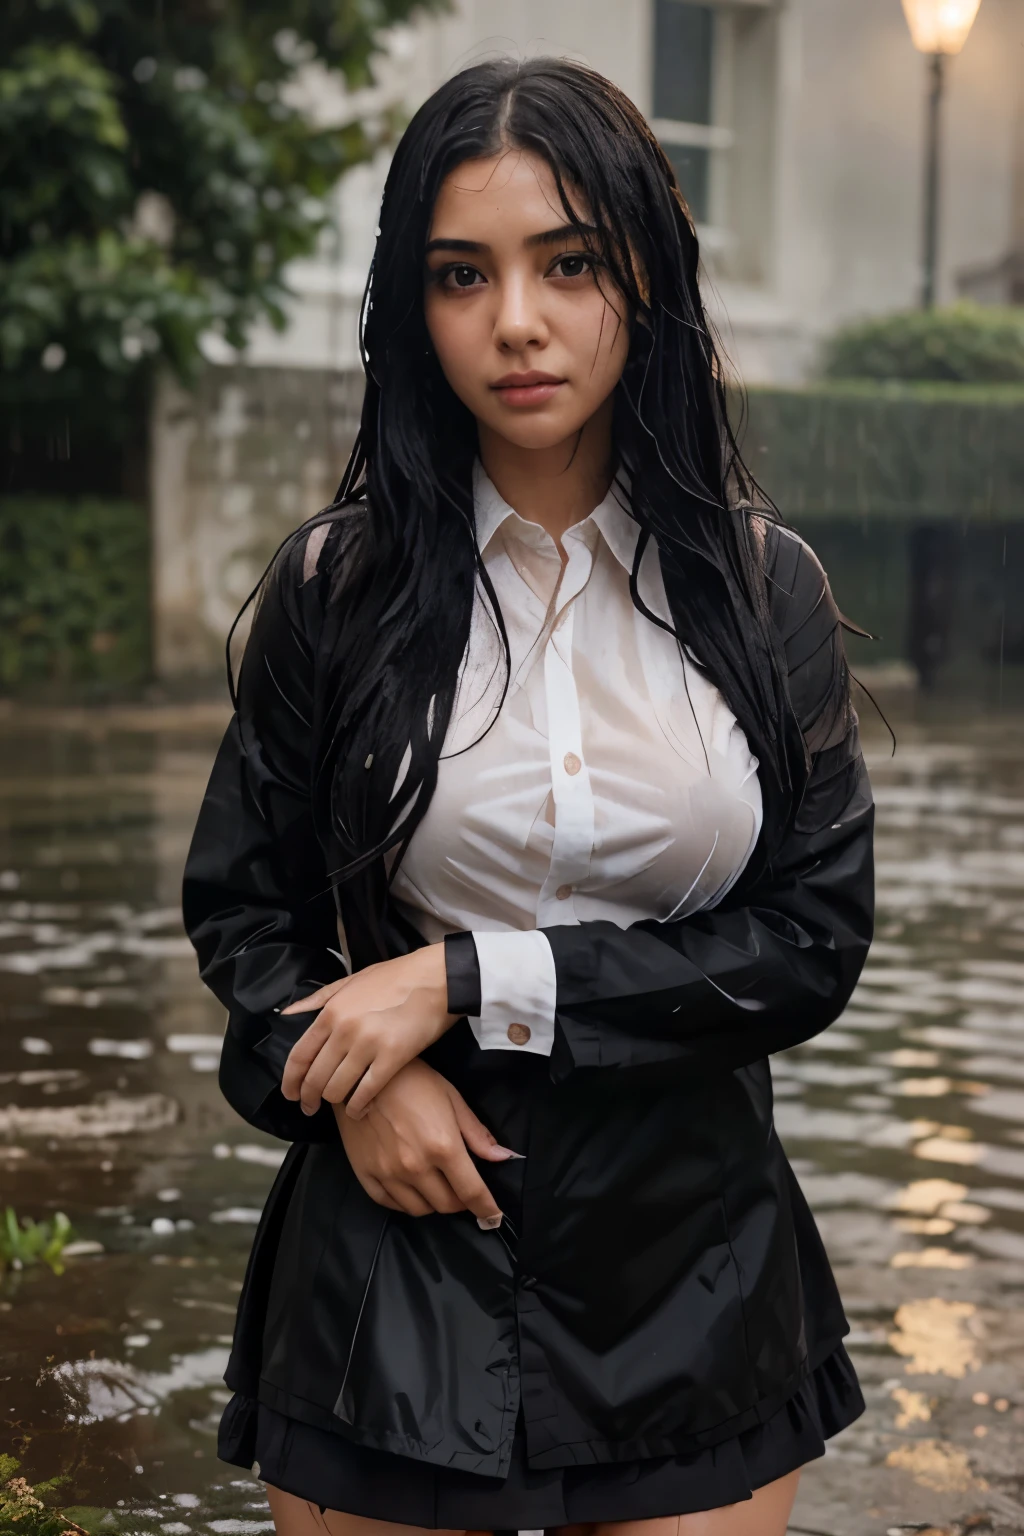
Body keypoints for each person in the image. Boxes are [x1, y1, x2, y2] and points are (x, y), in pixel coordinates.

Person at [183, 56, 874, 1536]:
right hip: (399, 1244)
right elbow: (247, 918)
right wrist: (348, 1093)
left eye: (569, 263)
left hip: (695, 1254)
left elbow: (808, 943)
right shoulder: (337, 591)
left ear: (648, 274)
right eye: (459, 274)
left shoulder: (763, 593)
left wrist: (468, 978)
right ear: (408, 308)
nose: (516, 322)